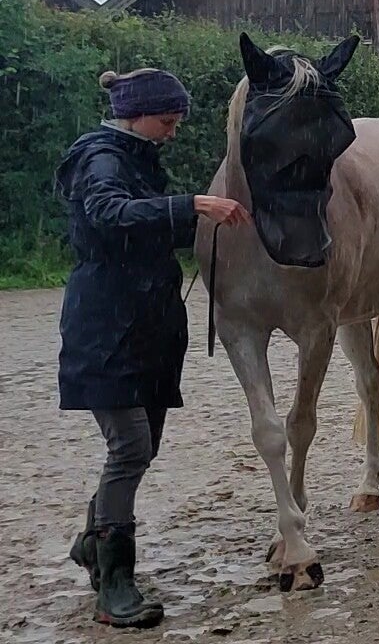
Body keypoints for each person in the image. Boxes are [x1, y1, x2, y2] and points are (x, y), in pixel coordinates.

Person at [55, 67, 251, 629]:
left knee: (143, 444)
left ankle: (95, 543)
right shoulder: (100, 161)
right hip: (105, 328)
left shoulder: (135, 157)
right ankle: (114, 584)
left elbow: (146, 227)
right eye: (168, 121)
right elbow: (109, 214)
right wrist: (191, 205)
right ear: (136, 115)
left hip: (148, 326)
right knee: (130, 447)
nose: (172, 131)